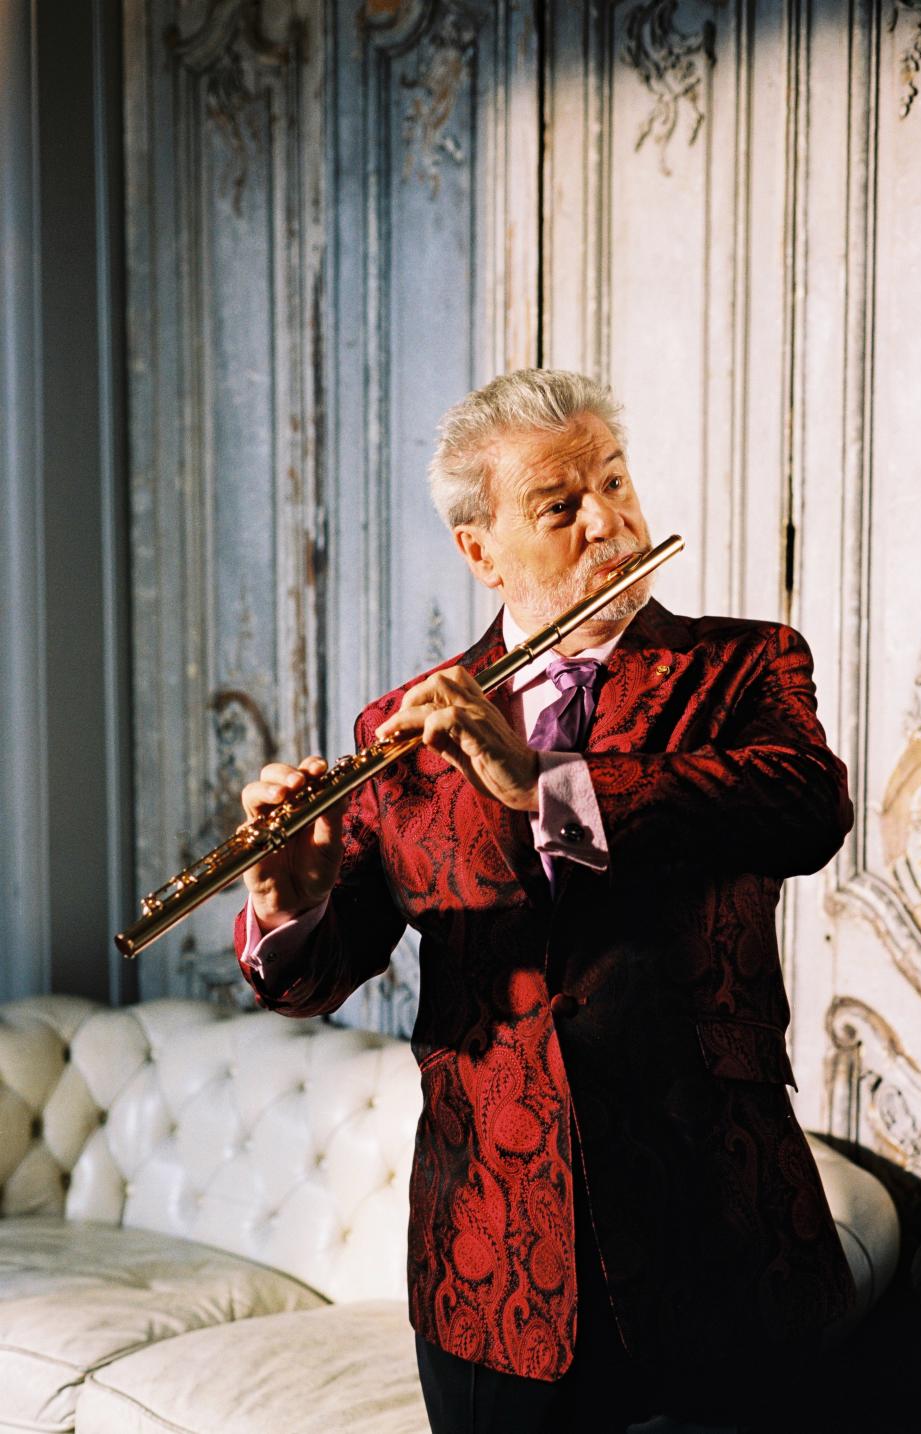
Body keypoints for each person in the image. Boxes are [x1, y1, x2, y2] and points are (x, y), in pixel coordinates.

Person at [235, 370, 855, 1433]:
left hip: (728, 1234)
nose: (608, 522)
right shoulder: (403, 726)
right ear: (481, 549)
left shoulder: (746, 665)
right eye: (561, 506)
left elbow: (804, 810)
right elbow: (321, 974)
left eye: (613, 482)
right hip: (493, 1267)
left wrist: (542, 786)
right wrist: (288, 904)